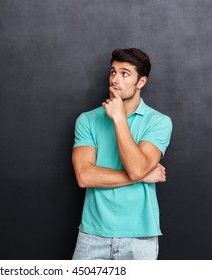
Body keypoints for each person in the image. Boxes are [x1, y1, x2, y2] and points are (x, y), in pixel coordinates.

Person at [72, 48, 173, 260]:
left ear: (141, 82)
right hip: (92, 235)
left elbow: (136, 168)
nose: (115, 79)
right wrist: (144, 176)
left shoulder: (158, 122)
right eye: (113, 72)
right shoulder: (87, 120)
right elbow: (84, 177)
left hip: (140, 238)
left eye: (125, 73)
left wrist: (119, 119)